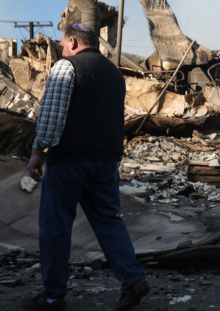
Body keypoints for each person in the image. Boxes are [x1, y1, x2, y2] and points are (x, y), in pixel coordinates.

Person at [23, 24, 150, 310]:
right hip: (106, 161)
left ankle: (53, 296)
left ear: (73, 42)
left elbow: (52, 116)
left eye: (62, 43)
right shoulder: (115, 74)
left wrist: (36, 152)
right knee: (108, 220)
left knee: (55, 226)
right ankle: (133, 280)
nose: (60, 48)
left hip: (69, 160)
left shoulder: (66, 67)